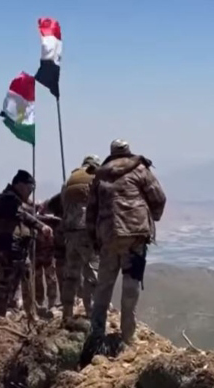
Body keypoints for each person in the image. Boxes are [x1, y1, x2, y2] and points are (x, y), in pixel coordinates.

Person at [86, 140, 166, 345]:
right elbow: (159, 197)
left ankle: (96, 333)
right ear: (128, 152)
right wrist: (153, 217)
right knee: (131, 286)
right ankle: (128, 336)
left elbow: (91, 211)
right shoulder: (140, 170)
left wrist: (94, 238)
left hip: (108, 236)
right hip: (135, 235)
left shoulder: (99, 176)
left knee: (103, 287)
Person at [0, 170, 52, 320]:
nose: (31, 192)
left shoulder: (14, 199)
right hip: (8, 248)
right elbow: (22, 215)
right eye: (30, 187)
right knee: (6, 284)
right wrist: (41, 226)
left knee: (27, 280)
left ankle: (32, 314)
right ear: (20, 185)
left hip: (19, 248)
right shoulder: (8, 199)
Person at [60, 155, 101, 320]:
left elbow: (63, 204)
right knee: (92, 274)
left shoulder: (70, 180)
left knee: (71, 275)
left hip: (70, 232)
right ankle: (91, 313)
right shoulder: (95, 178)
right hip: (87, 232)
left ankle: (67, 312)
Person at [33, 202, 60, 313]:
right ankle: (39, 303)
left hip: (48, 255)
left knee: (51, 279)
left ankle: (51, 303)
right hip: (37, 255)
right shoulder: (33, 220)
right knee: (37, 280)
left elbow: (59, 220)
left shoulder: (50, 220)